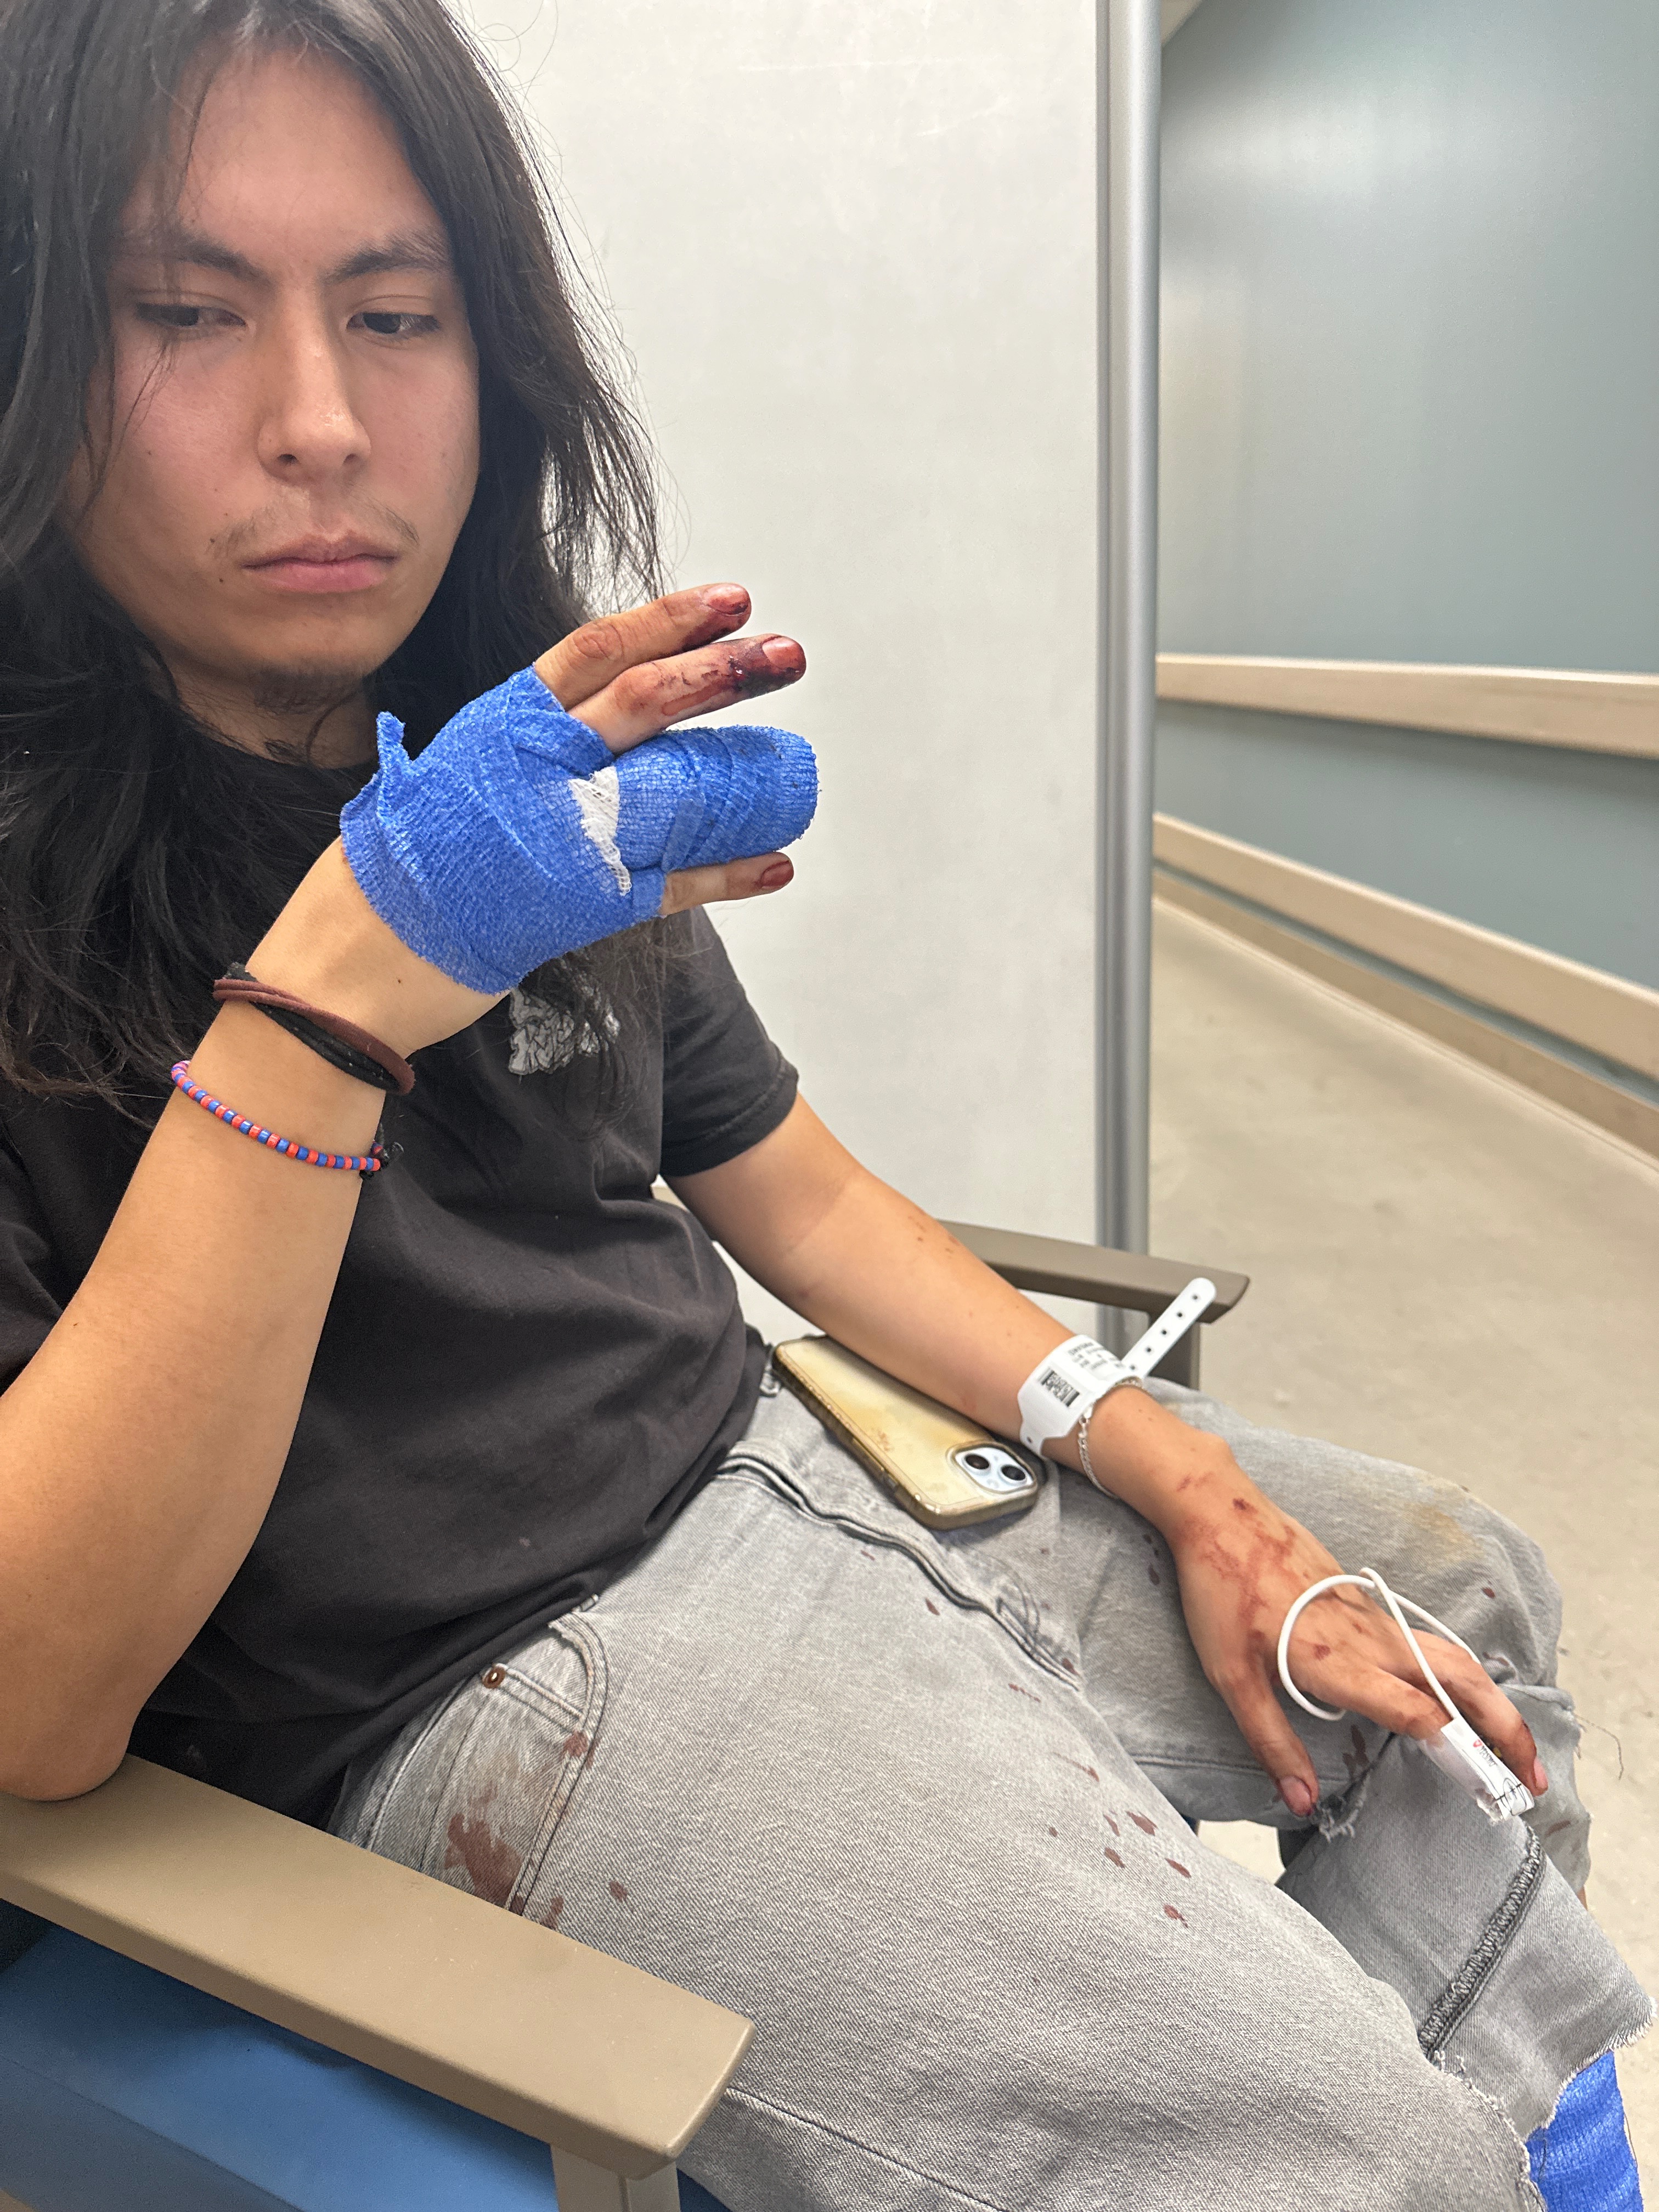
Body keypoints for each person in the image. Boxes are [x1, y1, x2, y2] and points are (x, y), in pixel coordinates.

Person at [0, 2, 1646, 2205]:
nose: (319, 421)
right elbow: (39, 1703)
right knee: (1350, 2157)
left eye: (396, 314)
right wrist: (338, 989)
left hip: (776, 1451)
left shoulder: (522, 754)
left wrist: (1184, 1474)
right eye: (184, 314)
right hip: (487, 1676)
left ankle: (1498, 2141)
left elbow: (792, 1189)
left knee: (1459, 1613)